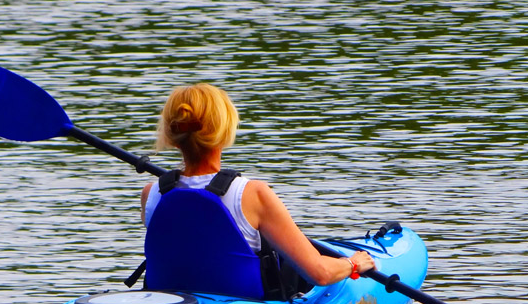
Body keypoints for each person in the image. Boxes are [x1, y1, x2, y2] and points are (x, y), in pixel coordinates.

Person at [140, 83, 375, 292]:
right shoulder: (252, 194)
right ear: (223, 131)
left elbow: (193, 246)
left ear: (172, 134)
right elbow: (320, 273)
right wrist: (353, 263)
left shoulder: (152, 194)